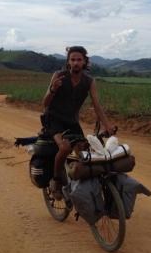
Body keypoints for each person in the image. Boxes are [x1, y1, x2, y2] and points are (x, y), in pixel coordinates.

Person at [42, 46, 115, 199]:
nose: (76, 63)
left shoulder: (89, 81)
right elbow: (45, 103)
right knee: (65, 147)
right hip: (54, 118)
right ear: (68, 62)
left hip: (71, 121)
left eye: (79, 60)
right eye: (73, 60)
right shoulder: (59, 76)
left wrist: (107, 126)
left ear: (84, 62)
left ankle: (77, 182)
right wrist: (53, 89)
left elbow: (97, 105)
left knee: (84, 151)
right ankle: (55, 181)